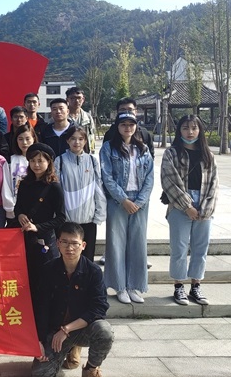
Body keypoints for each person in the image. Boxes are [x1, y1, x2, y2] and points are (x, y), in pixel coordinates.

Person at [31, 222, 114, 377]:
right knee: (40, 374)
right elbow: (41, 306)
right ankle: (65, 350)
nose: (69, 248)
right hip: (55, 332)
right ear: (58, 243)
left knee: (104, 331)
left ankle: (91, 368)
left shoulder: (93, 271)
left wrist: (67, 329)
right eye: (65, 242)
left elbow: (99, 308)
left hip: (81, 328)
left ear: (83, 245)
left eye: (75, 243)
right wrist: (39, 341)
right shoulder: (48, 269)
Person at [162, 114, 218, 306]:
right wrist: (187, 206)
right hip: (179, 205)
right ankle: (179, 286)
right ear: (179, 130)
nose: (190, 132)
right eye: (185, 128)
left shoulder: (208, 155)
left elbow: (214, 184)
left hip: (204, 205)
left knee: (200, 248)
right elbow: (169, 181)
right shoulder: (172, 153)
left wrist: (206, 207)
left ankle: (196, 285)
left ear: (200, 130)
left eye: (194, 128)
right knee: (179, 248)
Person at [100, 112, 154, 304]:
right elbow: (106, 177)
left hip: (139, 202)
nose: (128, 128)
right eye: (123, 124)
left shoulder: (143, 148)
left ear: (136, 127)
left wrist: (139, 201)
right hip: (118, 201)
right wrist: (124, 200)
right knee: (116, 244)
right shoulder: (108, 148)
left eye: (131, 124)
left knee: (137, 244)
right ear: (117, 126)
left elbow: (149, 177)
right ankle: (120, 287)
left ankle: (133, 286)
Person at [16, 143, 66, 302]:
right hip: (25, 238)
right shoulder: (24, 183)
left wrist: (37, 227)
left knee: (47, 280)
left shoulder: (54, 187)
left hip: (45, 238)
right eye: (32, 161)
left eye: (40, 161)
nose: (36, 165)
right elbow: (18, 207)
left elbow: (61, 217)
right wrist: (20, 215)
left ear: (48, 162)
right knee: (29, 277)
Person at [54, 126, 107, 261]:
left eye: (80, 139)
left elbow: (98, 188)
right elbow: (56, 190)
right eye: (73, 138)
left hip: (88, 220)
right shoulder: (60, 161)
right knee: (67, 258)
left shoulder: (92, 161)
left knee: (87, 259)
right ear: (67, 140)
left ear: (85, 141)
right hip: (67, 220)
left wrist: (99, 215)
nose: (76, 142)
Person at [8, 123, 37, 195]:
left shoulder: (40, 160)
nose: (24, 142)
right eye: (20, 139)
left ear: (33, 139)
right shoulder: (10, 161)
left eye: (27, 139)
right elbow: (6, 186)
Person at [65, 87, 96, 153]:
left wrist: (91, 151)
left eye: (79, 98)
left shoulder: (88, 117)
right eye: (72, 98)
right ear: (67, 100)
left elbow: (92, 136)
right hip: (66, 153)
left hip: (84, 153)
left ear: (83, 99)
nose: (76, 101)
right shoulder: (62, 117)